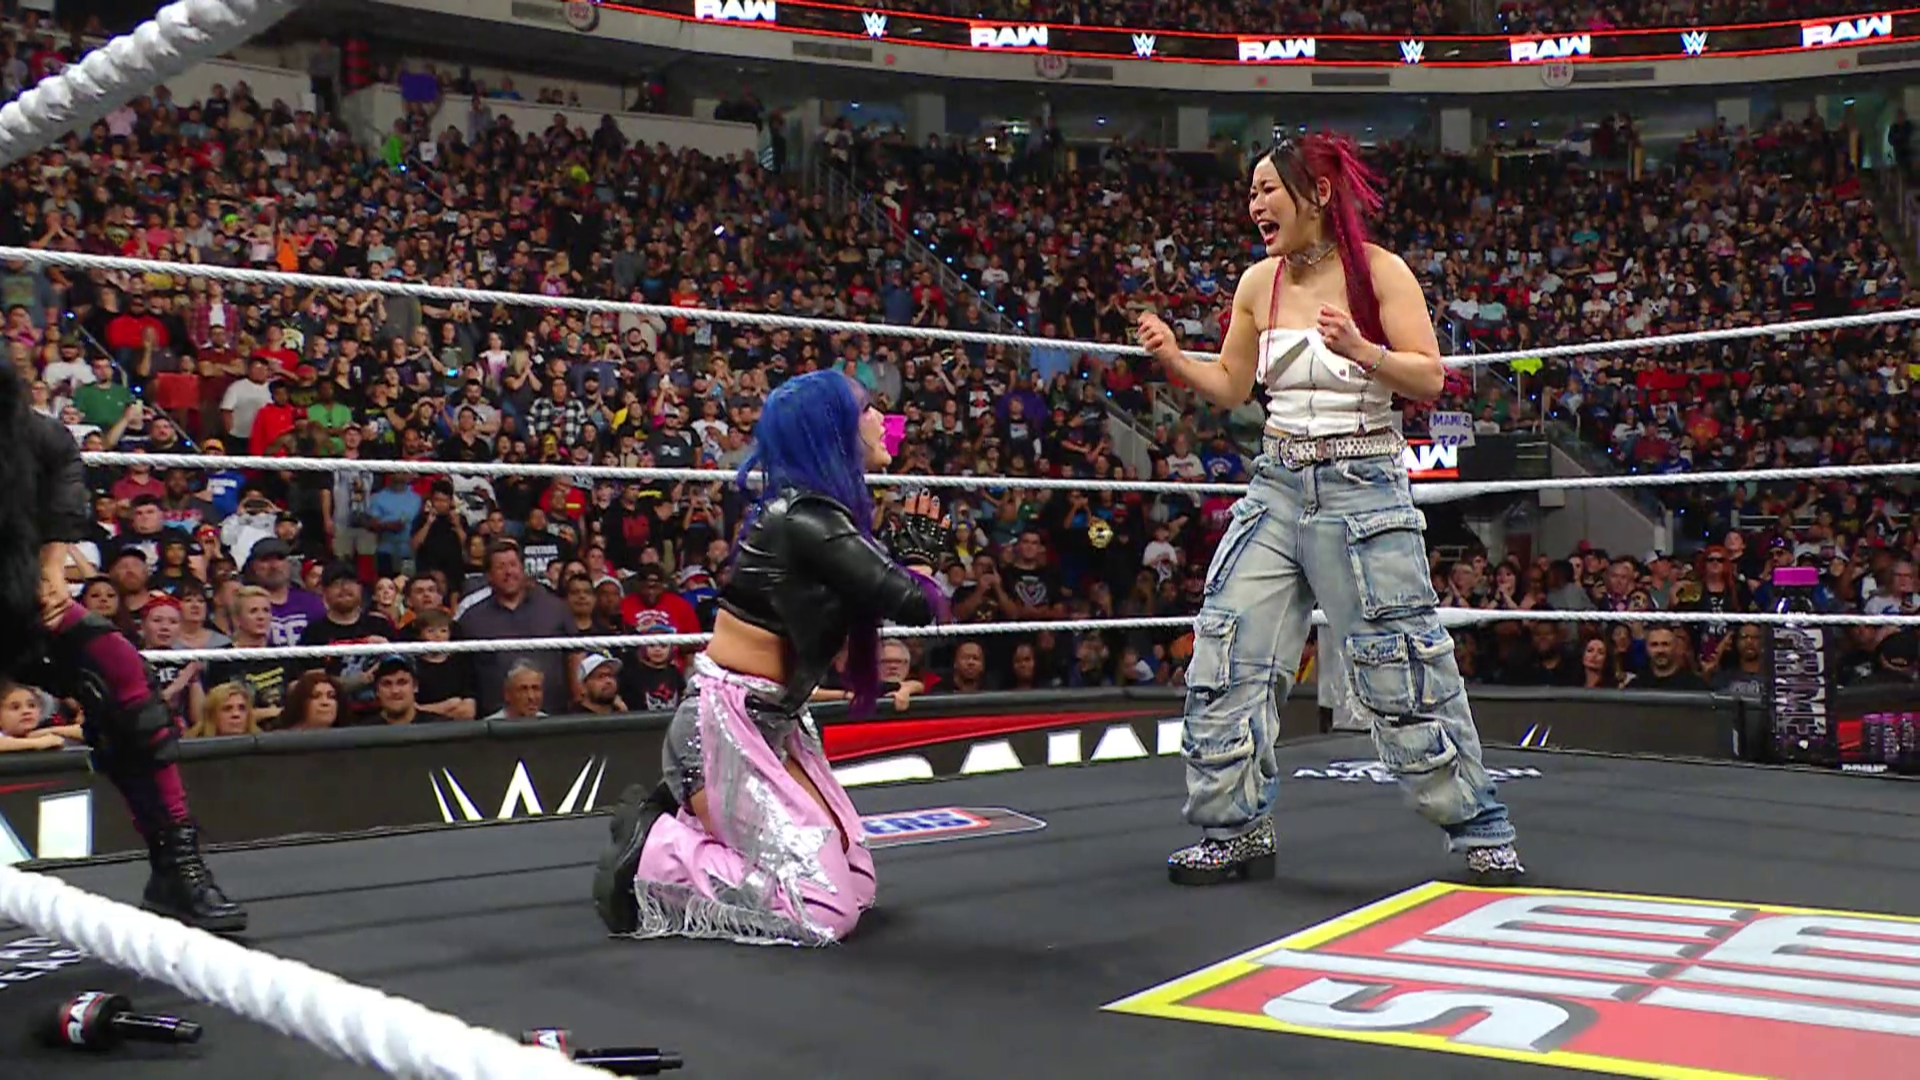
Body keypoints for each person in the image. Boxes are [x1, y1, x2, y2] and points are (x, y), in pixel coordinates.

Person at [1133, 134, 1521, 886]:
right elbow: (1234, 386)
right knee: (1229, 650)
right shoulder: (1259, 282)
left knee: (1399, 664)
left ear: (1314, 194)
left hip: (1363, 483)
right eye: (1250, 192)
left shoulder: (1380, 272)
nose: (1253, 204)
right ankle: (1235, 829)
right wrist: (1175, 359)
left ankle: (1480, 828)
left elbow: (1429, 378)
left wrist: (1361, 349)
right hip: (1277, 482)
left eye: (1266, 190)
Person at [591, 370, 951, 945]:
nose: (883, 420)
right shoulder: (803, 519)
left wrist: (912, 567)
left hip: (773, 724)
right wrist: (920, 564)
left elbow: (892, 599)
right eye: (867, 409)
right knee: (824, 909)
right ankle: (656, 853)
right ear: (834, 430)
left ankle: (697, 831)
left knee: (857, 882)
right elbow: (911, 602)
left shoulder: (821, 518)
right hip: (721, 731)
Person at [0, 362, 245, 931]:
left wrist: (51, 565)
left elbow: (62, 453)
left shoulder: (17, 425)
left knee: (121, 673)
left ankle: (176, 869)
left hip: (15, 592)